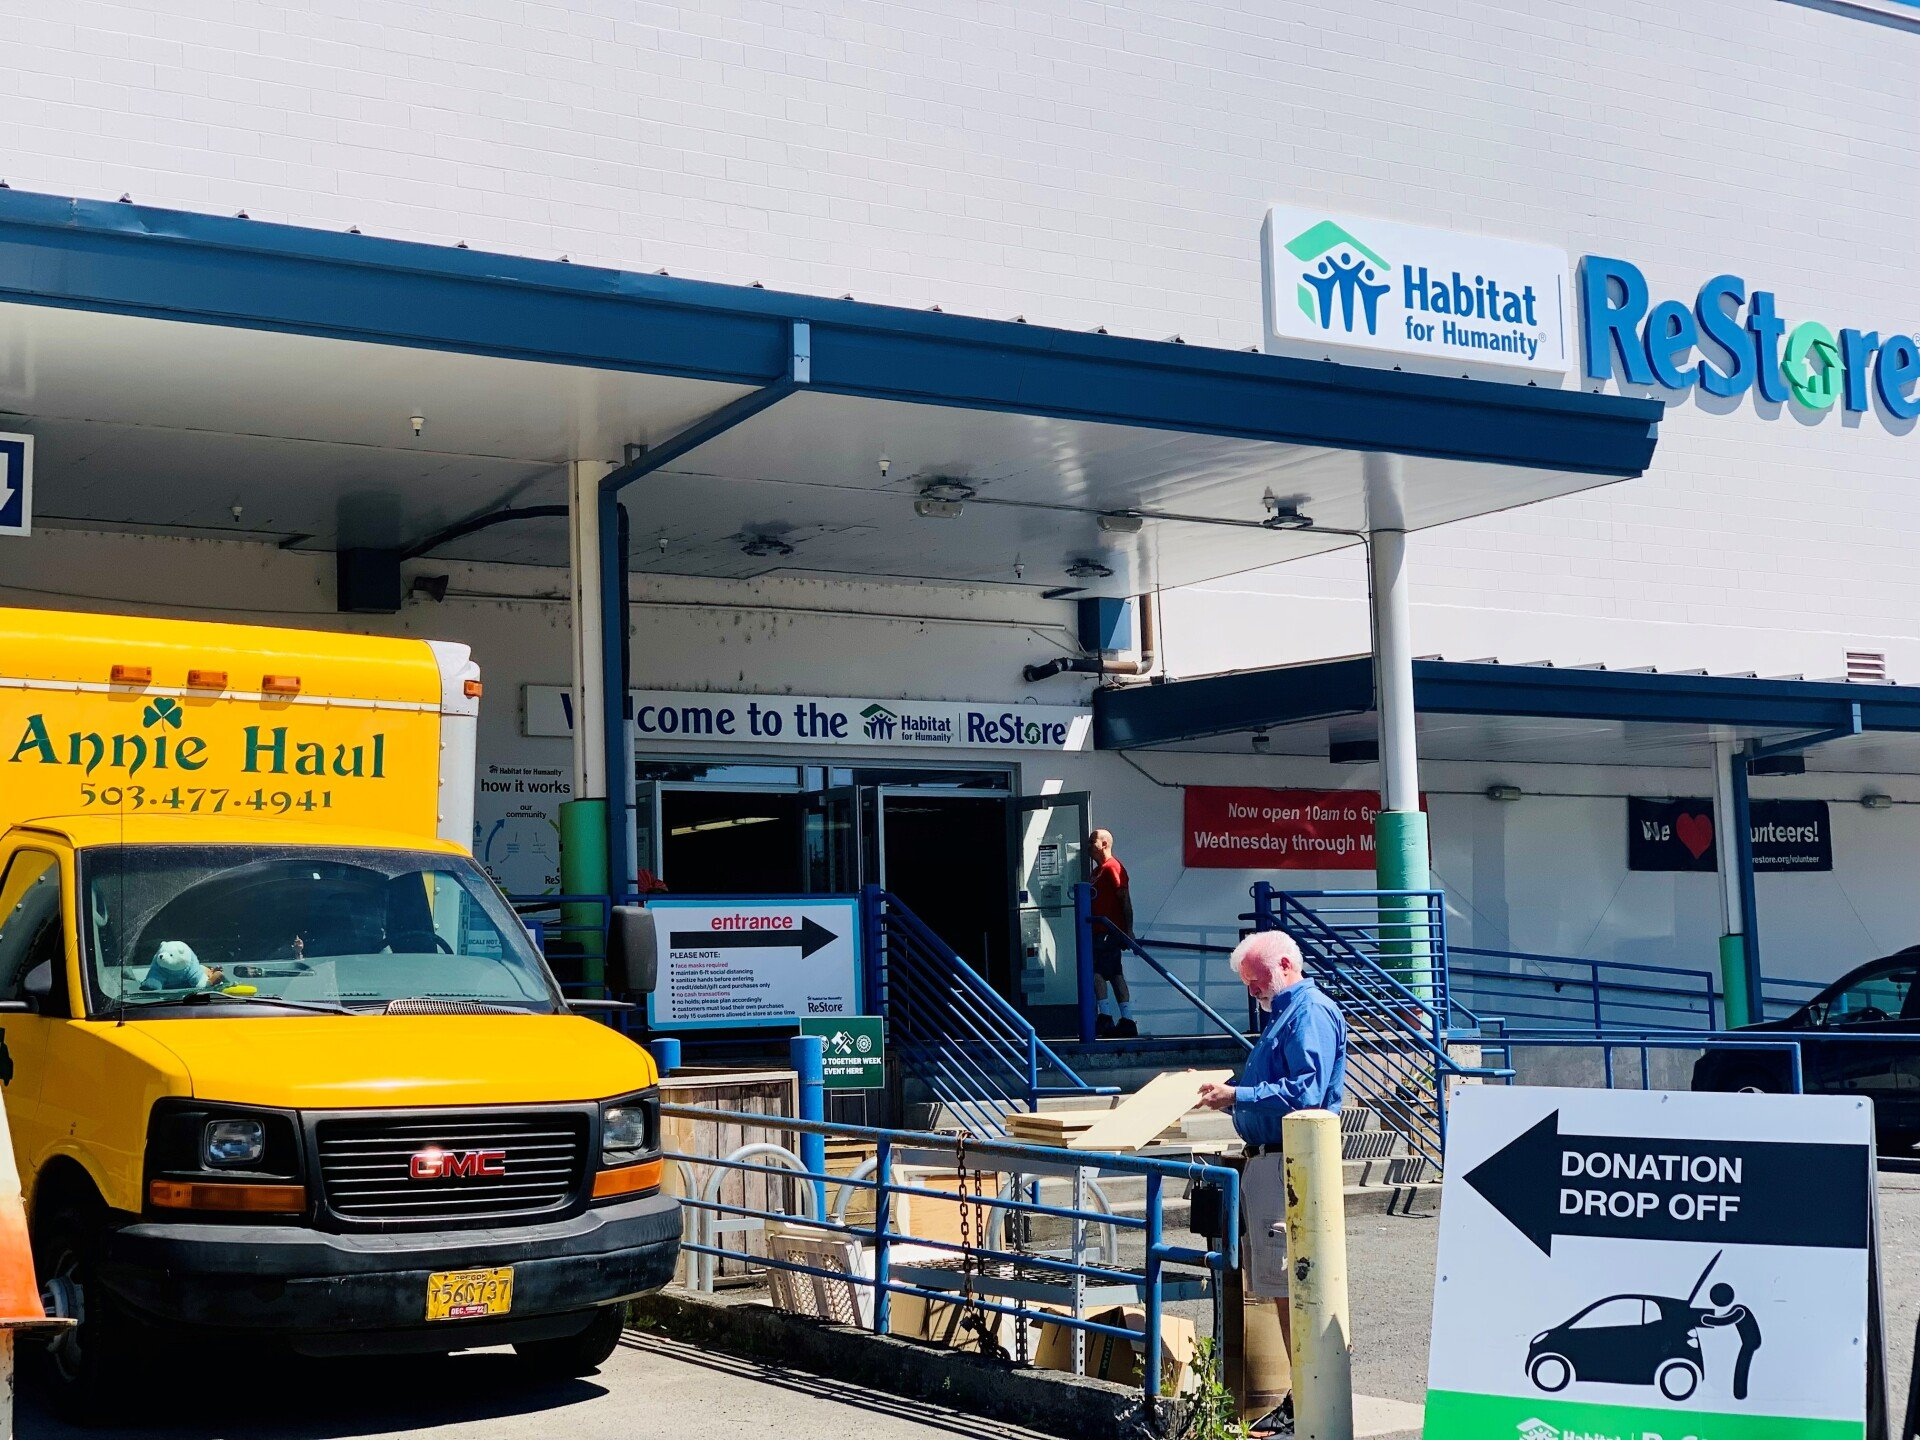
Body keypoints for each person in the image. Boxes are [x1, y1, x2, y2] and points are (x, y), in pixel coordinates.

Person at [1197, 929, 1347, 1438]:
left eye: (1258, 982)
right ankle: (1299, 1395)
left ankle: (1306, 1398)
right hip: (1274, 1160)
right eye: (1249, 985)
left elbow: (1304, 1090)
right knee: (1282, 1285)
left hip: (1291, 1160)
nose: (1255, 993)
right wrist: (1237, 1097)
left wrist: (1238, 1094)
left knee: (1290, 1283)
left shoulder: (1307, 1011)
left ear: (1286, 964)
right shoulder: (1286, 1013)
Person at [1087, 828, 1137, 1037]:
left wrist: (1128, 930)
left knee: (1097, 971)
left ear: (1104, 844)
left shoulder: (1112, 868)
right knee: (1115, 973)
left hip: (1108, 931)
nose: (1089, 845)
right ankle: (1126, 1019)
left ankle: (1106, 1017)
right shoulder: (1096, 872)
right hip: (1099, 931)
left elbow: (1124, 898)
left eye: (1092, 841)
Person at [1697, 1282, 1761, 1400]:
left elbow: (1727, 1319)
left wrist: (1706, 1319)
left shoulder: (1740, 1310)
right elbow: (1725, 1317)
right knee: (1741, 1365)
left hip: (1750, 1342)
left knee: (1742, 1366)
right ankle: (1739, 1392)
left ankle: (1740, 1393)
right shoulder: (1736, 1309)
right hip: (1747, 1343)